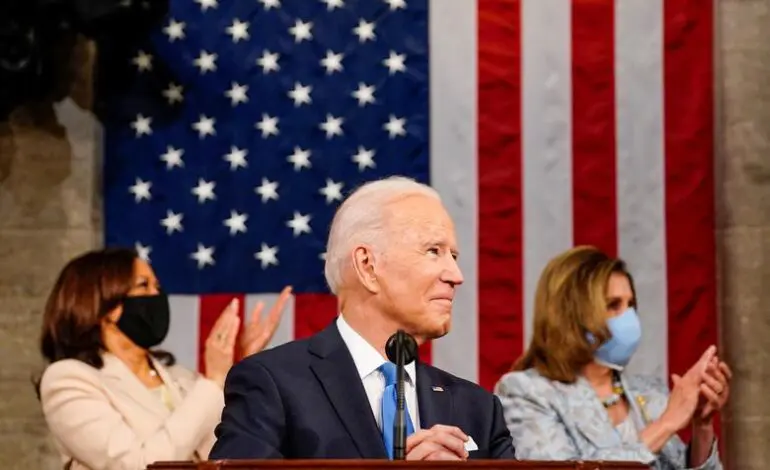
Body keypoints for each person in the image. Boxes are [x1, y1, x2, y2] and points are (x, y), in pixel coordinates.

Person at [210, 176, 515, 460]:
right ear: (367, 265)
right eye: (434, 251)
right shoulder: (273, 385)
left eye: (454, 257)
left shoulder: (479, 409)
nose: (455, 275)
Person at [36, 248, 291, 470]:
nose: (156, 296)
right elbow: (139, 465)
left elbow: (226, 451)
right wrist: (214, 379)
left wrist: (242, 365)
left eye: (157, 287)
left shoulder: (180, 378)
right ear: (106, 305)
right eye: (143, 286)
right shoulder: (68, 380)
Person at [494, 246, 730, 469]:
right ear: (570, 315)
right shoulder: (525, 393)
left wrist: (702, 426)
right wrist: (666, 424)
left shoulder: (649, 392)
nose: (628, 318)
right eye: (613, 305)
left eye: (630, 305)